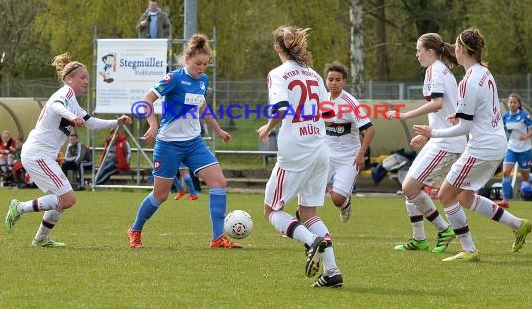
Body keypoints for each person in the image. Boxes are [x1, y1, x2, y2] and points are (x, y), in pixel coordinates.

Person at [414, 28, 532, 261]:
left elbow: (465, 129)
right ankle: (518, 224)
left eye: (456, 46)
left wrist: (433, 132)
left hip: (482, 146)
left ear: (461, 49)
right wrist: (460, 115)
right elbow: (480, 111)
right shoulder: (484, 72)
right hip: (497, 141)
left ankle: (468, 249)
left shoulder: (468, 81)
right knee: (465, 197)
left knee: (446, 194)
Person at [4, 52, 132, 247]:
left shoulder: (73, 102)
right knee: (67, 198)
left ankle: (40, 239)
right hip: (38, 154)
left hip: (41, 155)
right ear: (69, 79)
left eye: (88, 78)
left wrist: (116, 121)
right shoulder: (65, 94)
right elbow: (55, 106)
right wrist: (71, 118)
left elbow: (91, 123)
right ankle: (19, 207)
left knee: (62, 199)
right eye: (82, 77)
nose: (86, 82)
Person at [126, 33, 240, 249]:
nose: (202, 68)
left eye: (206, 64)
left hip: (194, 143)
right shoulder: (174, 79)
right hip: (169, 144)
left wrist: (218, 130)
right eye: (198, 63)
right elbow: (147, 99)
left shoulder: (203, 80)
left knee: (219, 183)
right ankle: (135, 229)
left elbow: (202, 107)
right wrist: (152, 124)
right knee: (160, 195)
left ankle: (217, 238)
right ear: (187, 59)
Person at [257, 25, 342, 288]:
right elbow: (326, 111)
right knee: (308, 211)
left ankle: (309, 241)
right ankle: (332, 272)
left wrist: (268, 127)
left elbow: (281, 108)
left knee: (272, 209)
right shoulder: (315, 75)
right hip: (320, 148)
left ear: (276, 47)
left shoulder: (278, 74)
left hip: (296, 149)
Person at [386, 33, 466, 253]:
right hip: (440, 139)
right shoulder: (440, 70)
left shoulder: (435, 70)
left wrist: (405, 115)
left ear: (430, 52)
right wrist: (428, 135)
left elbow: (438, 103)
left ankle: (444, 229)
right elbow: (447, 109)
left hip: (447, 143)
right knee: (411, 186)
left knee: (410, 187)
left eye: (419, 50)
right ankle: (419, 239)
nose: (417, 55)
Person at [323, 61, 375, 223]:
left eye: (338, 79)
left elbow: (370, 130)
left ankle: (345, 204)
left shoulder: (350, 102)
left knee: (337, 199)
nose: (334, 83)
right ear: (326, 80)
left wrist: (361, 155)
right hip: (325, 156)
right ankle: (298, 224)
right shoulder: (321, 99)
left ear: (344, 81)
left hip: (348, 158)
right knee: (309, 192)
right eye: (331, 79)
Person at [498, 93, 532, 207]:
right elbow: (502, 130)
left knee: (525, 176)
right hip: (511, 149)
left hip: (524, 150)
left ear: (519, 104)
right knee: (506, 172)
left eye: (515, 102)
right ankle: (505, 200)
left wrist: (526, 136)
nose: (512, 104)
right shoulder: (505, 117)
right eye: (510, 102)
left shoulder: (524, 115)